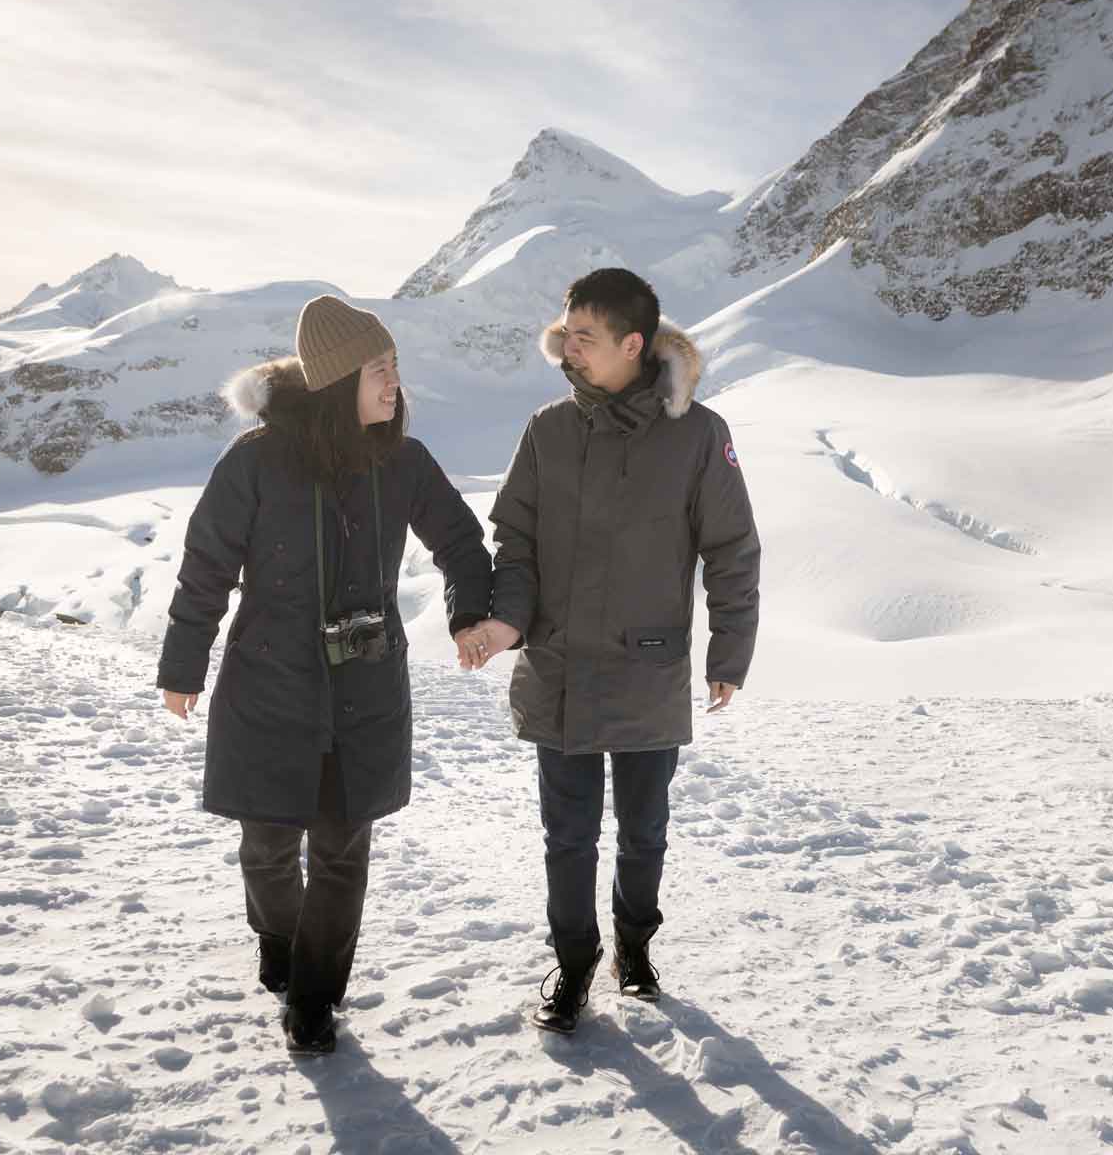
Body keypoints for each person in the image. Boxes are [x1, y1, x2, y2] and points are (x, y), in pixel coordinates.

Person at [157, 294, 496, 1056]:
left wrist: (469, 614)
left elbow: (461, 543)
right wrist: (183, 665)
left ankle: (315, 997)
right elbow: (206, 567)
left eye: (397, 369)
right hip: (267, 684)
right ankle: (278, 938)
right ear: (341, 380)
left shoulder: (403, 461)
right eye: (381, 370)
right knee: (267, 846)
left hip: (365, 686)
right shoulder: (255, 459)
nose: (395, 386)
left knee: (343, 848)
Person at [456, 267, 760, 1035]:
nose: (568, 351)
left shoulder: (700, 434)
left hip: (648, 667)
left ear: (632, 344)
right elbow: (515, 543)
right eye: (565, 336)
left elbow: (731, 549)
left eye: (584, 339)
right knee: (566, 835)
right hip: (557, 666)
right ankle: (575, 960)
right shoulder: (547, 429)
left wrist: (728, 651)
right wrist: (507, 624)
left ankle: (635, 944)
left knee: (644, 830)